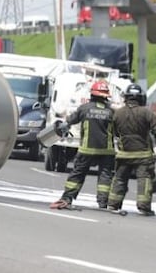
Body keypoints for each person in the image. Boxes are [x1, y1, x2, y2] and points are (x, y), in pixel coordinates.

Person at [50, 80, 117, 210]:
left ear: (92, 95)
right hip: (106, 151)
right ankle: (103, 203)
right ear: (106, 97)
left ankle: (67, 198)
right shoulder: (111, 111)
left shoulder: (84, 108)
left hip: (87, 149)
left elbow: (68, 122)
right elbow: (118, 130)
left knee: (78, 174)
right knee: (105, 176)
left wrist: (60, 129)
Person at [107, 82, 156, 216]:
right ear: (141, 98)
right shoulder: (147, 113)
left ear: (126, 97)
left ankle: (113, 204)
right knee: (144, 180)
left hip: (123, 155)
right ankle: (144, 207)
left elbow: (114, 133)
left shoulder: (118, 113)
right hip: (143, 156)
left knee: (119, 179)